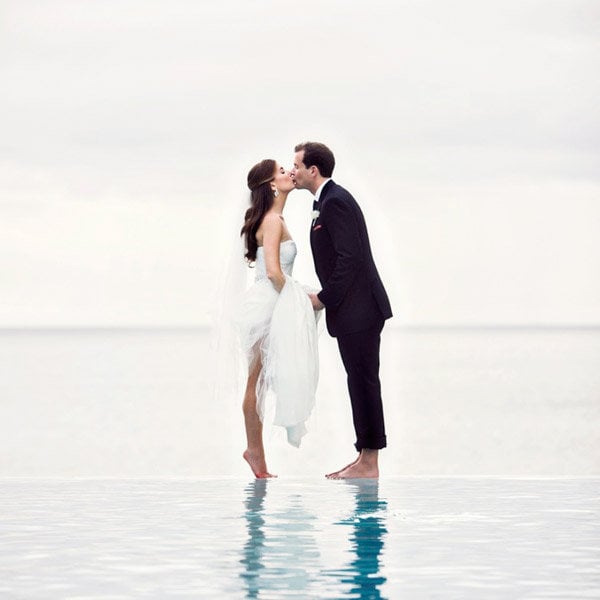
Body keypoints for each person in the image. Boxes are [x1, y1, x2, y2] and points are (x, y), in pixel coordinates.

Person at [291, 142, 392, 479]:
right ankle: (364, 456)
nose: (294, 171)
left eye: (297, 165)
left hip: (360, 309)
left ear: (313, 170)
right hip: (353, 311)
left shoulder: (336, 203)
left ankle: (369, 462)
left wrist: (323, 297)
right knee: (358, 381)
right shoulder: (328, 201)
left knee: (363, 381)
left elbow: (350, 259)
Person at [237, 159, 320, 479]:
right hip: (269, 306)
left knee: (263, 379)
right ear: (272, 185)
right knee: (256, 381)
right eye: (282, 172)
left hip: (271, 300)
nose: (289, 173)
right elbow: (273, 271)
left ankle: (255, 451)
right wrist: (300, 300)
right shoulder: (272, 220)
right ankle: (254, 451)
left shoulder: (275, 218)